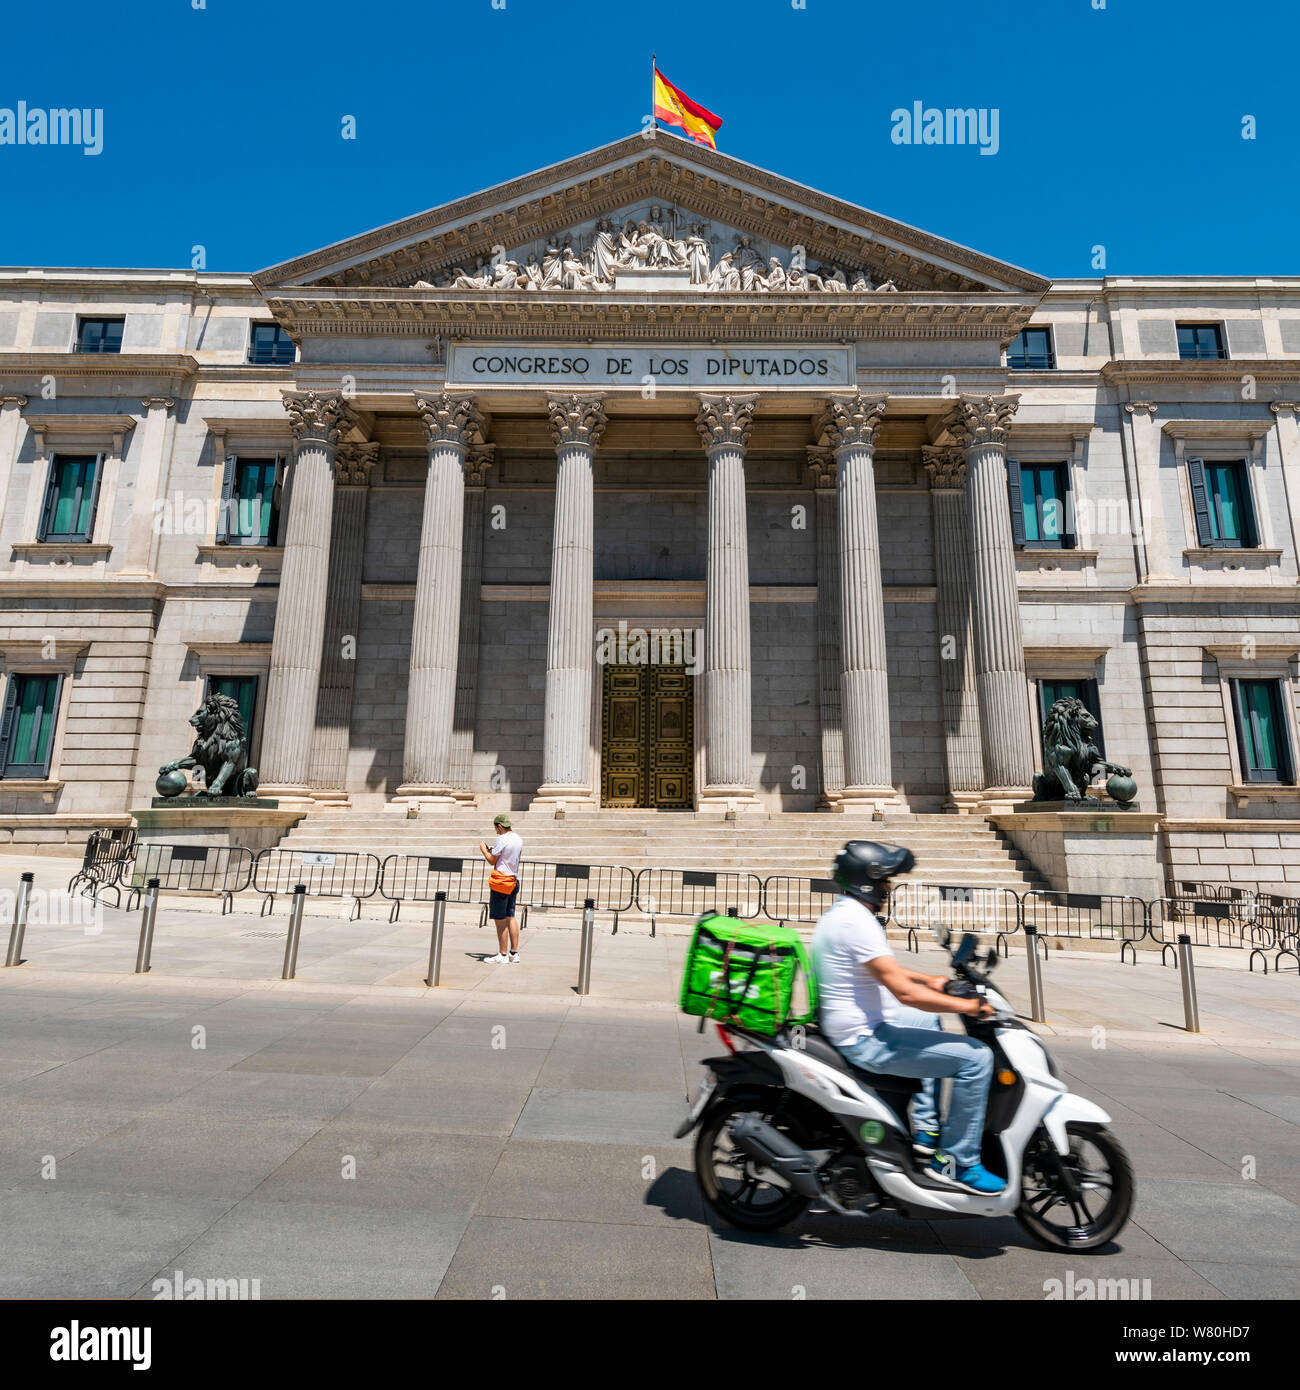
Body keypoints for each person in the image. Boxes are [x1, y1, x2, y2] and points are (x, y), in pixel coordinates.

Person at [810, 840, 1005, 1195]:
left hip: (853, 1024)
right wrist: (971, 1007)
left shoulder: (845, 913)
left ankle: (926, 1128)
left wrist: (932, 980)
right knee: (977, 1058)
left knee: (927, 1022)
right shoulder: (858, 922)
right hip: (864, 1038)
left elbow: (886, 971)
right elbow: (906, 994)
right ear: (867, 881)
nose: (888, 888)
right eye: (885, 880)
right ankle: (957, 1162)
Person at [479, 813, 523, 964]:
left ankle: (503, 954)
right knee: (510, 916)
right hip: (513, 879)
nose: (496, 831)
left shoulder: (501, 839)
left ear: (499, 826)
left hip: (501, 882)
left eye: (496, 828)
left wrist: (484, 850)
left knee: (499, 919)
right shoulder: (518, 838)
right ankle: (514, 953)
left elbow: (492, 860)